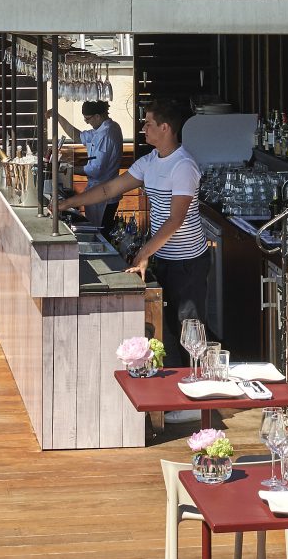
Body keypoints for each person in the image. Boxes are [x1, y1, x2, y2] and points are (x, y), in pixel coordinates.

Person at [59, 97, 213, 365]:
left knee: (188, 329)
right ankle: (176, 389)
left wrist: (144, 253)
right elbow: (109, 189)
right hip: (164, 256)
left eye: (148, 123)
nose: (143, 128)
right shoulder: (150, 161)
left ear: (165, 128)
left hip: (188, 262)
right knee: (165, 327)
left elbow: (175, 220)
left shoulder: (183, 166)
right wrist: (69, 202)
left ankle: (198, 389)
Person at [72, 100, 123, 232]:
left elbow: (95, 170)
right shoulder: (105, 128)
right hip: (99, 191)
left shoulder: (107, 134)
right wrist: (58, 117)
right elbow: (78, 137)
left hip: (105, 195)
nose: (86, 122)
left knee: (100, 233)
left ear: (97, 116)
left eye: (88, 119)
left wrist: (70, 169)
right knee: (98, 230)